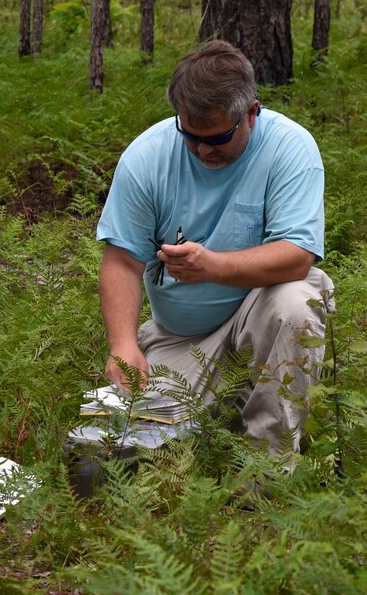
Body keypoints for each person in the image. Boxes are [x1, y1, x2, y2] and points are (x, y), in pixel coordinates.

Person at [96, 40, 331, 456]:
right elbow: (121, 261)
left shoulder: (290, 149)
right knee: (124, 447)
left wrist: (213, 265)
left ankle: (267, 472)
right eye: (190, 136)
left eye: (219, 137)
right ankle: (235, 406)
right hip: (180, 338)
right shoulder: (146, 158)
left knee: (297, 301)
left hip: (259, 318)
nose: (204, 149)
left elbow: (297, 255)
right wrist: (123, 345)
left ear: (252, 113)